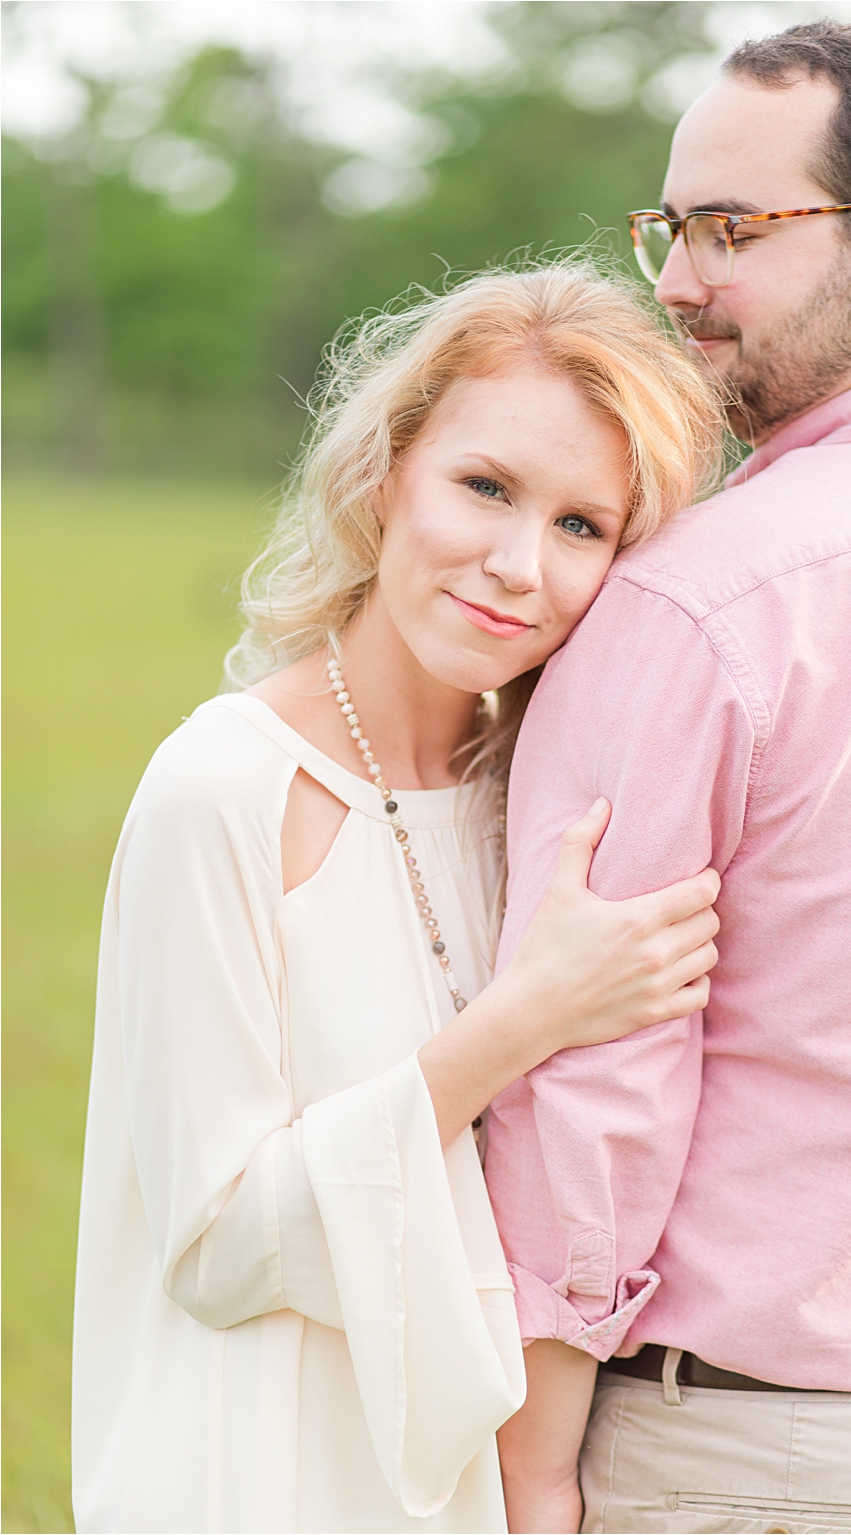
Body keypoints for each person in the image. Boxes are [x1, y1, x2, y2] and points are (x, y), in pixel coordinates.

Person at [71, 264, 729, 1532]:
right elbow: (217, 1239)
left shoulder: (532, 807)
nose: (515, 564)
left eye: (581, 525)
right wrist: (517, 1022)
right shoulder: (223, 788)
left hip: (467, 1485)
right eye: (484, 487)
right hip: (259, 1472)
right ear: (385, 477)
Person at [486, 21, 851, 1534]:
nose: (675, 280)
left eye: (735, 230)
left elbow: (588, 1080)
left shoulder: (700, 599)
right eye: (671, 227)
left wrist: (533, 1470)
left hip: (752, 1461)